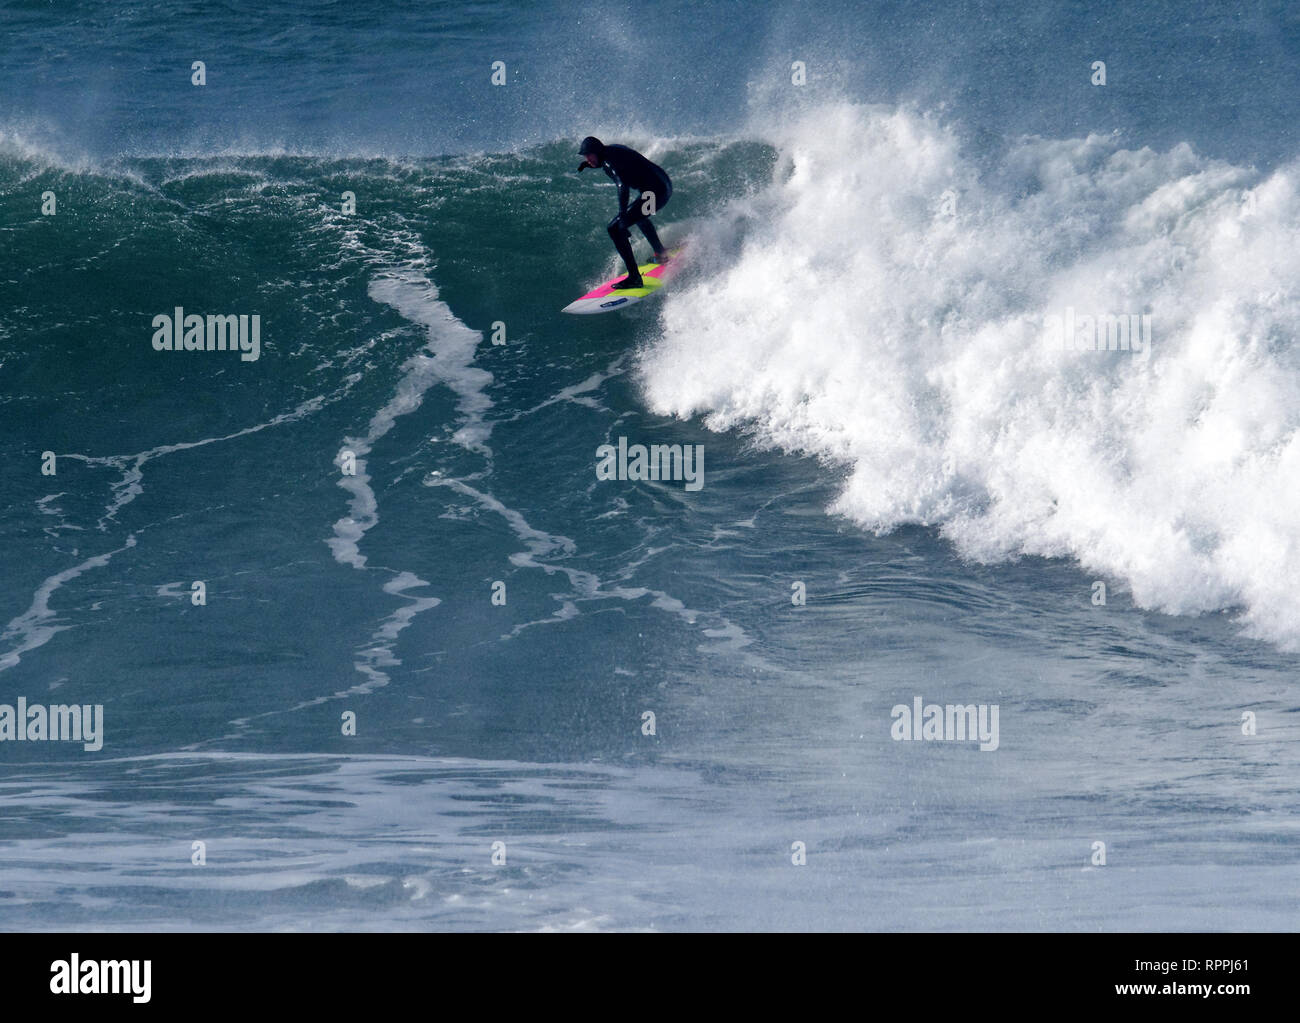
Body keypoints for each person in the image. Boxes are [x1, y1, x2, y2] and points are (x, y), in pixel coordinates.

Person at [577, 136, 672, 289]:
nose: (587, 158)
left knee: (614, 228)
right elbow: (624, 163)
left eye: (589, 155)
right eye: (585, 156)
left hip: (656, 193)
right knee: (639, 216)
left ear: (597, 152)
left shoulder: (609, 163)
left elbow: (623, 186)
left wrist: (623, 216)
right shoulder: (612, 149)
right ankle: (661, 254)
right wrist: (590, 165)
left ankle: (634, 278)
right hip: (663, 184)